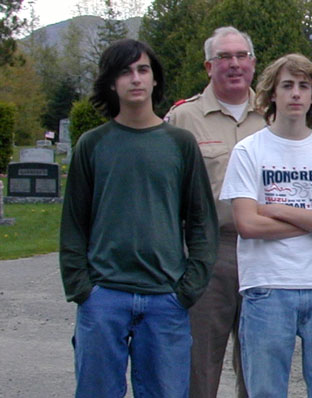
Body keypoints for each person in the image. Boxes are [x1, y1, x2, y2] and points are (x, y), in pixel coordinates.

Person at [60, 38, 218, 397]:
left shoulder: (179, 143)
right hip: (104, 298)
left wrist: (187, 289)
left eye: (143, 69)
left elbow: (200, 223)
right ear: (111, 83)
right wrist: (83, 289)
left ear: (155, 79)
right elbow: (73, 224)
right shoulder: (93, 144)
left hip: (165, 298)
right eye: (125, 71)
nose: (135, 78)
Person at [219, 53, 312, 397]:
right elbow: (248, 224)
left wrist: (275, 208)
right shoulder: (249, 151)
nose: (296, 93)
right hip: (266, 288)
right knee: (264, 391)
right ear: (272, 95)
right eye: (287, 85)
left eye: (304, 86)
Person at [165, 26, 266, 398]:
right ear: (209, 66)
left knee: (260, 363)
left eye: (242, 56)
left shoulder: (273, 115)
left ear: (253, 64)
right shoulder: (183, 119)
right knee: (199, 363)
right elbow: (168, 195)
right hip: (210, 252)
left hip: (267, 251)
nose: (234, 64)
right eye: (224, 57)